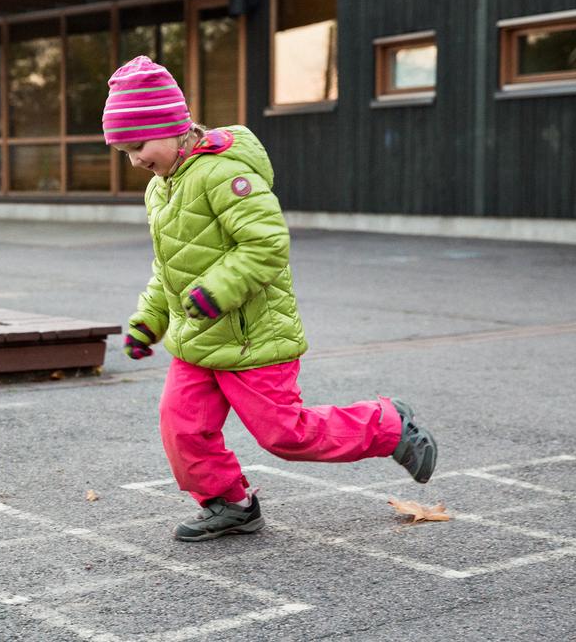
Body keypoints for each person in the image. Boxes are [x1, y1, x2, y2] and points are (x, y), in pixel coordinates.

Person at [103, 55, 438, 542]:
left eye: (137, 145)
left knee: (287, 434)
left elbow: (267, 243)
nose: (134, 159)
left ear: (175, 128)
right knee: (182, 427)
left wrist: (218, 291)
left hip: (250, 337)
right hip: (197, 339)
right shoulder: (162, 188)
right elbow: (169, 267)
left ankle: (389, 425)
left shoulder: (224, 174)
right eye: (122, 151)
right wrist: (148, 320)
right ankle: (231, 503)